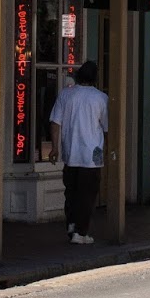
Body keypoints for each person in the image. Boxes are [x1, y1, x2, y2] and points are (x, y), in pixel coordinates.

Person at [49, 60, 109, 245]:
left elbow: (55, 122)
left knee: (71, 193)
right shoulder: (101, 98)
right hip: (92, 156)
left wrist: (55, 148)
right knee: (87, 195)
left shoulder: (66, 94)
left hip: (70, 154)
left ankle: (72, 224)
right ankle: (80, 232)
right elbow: (106, 128)